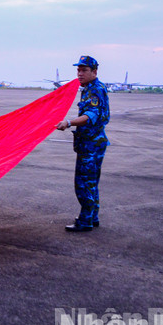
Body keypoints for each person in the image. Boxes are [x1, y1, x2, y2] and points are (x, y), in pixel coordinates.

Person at [55, 56, 110, 232]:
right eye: (78, 70)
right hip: (91, 143)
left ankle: (85, 221)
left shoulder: (95, 90)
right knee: (91, 182)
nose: (79, 74)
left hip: (91, 145)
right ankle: (92, 217)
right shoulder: (89, 89)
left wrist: (69, 122)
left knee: (84, 183)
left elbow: (90, 116)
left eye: (84, 70)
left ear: (94, 72)